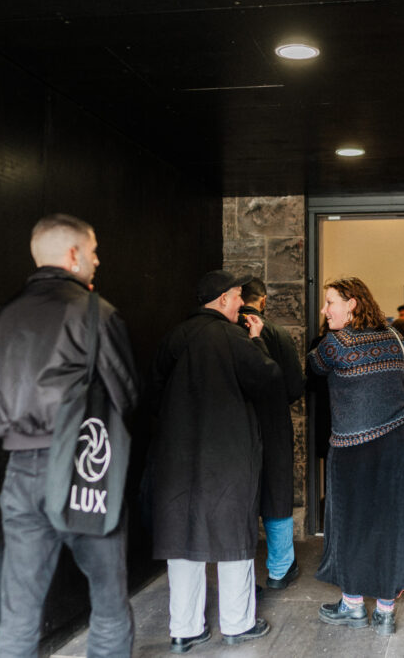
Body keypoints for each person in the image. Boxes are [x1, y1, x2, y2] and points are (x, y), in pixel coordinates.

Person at [0, 213, 140, 658]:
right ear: (73, 254)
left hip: (19, 475)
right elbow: (126, 394)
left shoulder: (6, 316)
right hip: (85, 472)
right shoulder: (95, 312)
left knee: (19, 615)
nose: (97, 260)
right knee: (108, 602)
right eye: (93, 251)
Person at [148, 270, 282, 653]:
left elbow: (154, 390)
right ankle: (238, 624)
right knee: (233, 534)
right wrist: (257, 341)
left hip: (177, 456)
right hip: (228, 454)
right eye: (238, 296)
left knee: (181, 538)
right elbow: (269, 380)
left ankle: (184, 629)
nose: (242, 303)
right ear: (223, 299)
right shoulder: (234, 338)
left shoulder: (175, 337)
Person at [309, 277, 404, 636]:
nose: (325, 310)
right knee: (392, 521)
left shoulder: (336, 343)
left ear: (352, 304)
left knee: (350, 522)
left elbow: (312, 367)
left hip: (353, 447)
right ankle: (385, 612)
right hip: (398, 442)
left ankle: (353, 604)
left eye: (330, 302)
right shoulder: (397, 339)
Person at [239, 279, 305, 590]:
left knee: (240, 494)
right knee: (276, 491)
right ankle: (279, 569)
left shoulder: (225, 333)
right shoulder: (277, 334)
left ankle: (239, 576)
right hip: (273, 422)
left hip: (236, 423)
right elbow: (294, 386)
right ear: (263, 300)